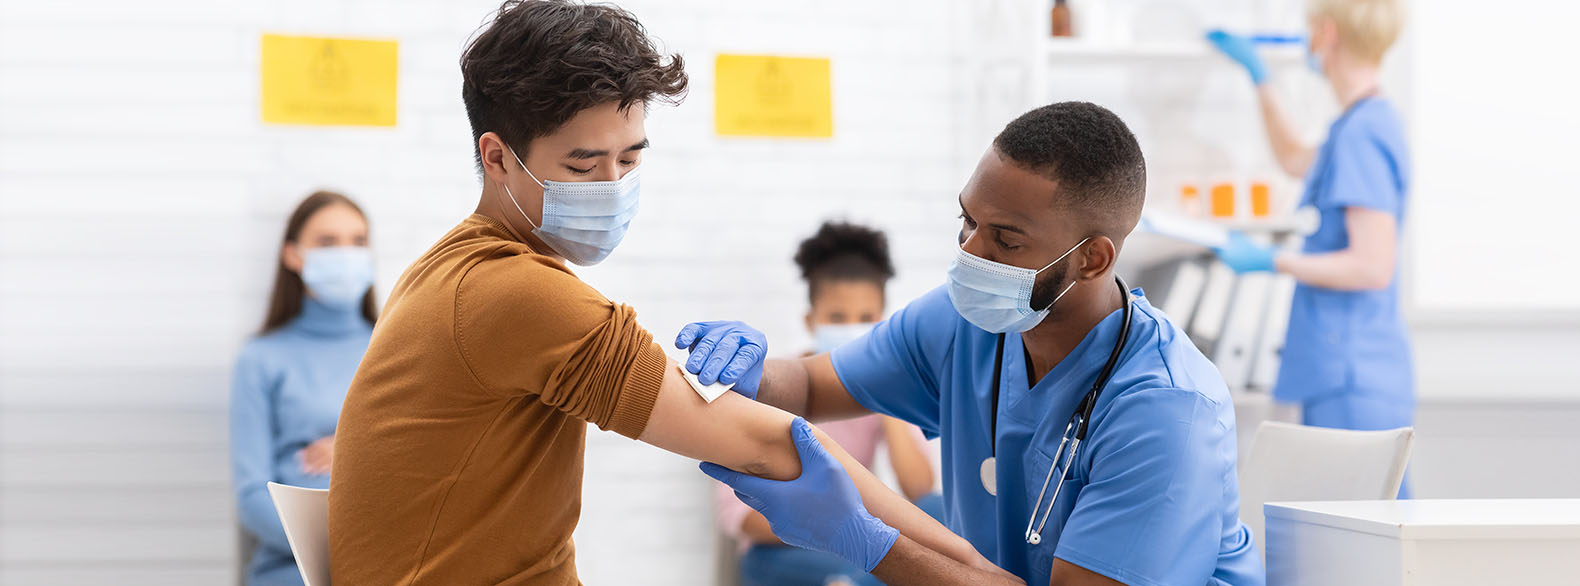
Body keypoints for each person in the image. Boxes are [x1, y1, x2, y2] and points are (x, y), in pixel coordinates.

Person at [327, 2, 1007, 584]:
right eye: (581, 164)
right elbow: (777, 444)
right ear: (498, 156)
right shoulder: (515, 293)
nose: (613, 186)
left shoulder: (450, 269)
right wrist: (977, 574)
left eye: (629, 158)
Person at [686, 102, 1263, 585]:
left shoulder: (1166, 411)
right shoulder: (962, 323)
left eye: (1006, 240)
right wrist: (753, 372)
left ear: (1093, 258)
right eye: (968, 221)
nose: (971, 252)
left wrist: (863, 541)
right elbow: (811, 386)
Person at [1206, 0, 1414, 496]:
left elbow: (1371, 265)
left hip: (1352, 370)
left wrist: (1270, 261)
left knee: (1363, 535)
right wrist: (1259, 77)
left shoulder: (1363, 133)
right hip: (1346, 365)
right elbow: (1295, 157)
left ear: (1326, 32)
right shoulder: (1358, 124)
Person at [720, 221, 943, 586]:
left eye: (866, 320)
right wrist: (834, 526)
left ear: (883, 323)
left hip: (857, 547)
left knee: (940, 513)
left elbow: (920, 491)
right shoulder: (772, 390)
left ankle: (854, 580)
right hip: (784, 551)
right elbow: (738, 518)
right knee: (882, 566)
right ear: (811, 321)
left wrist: (884, 400)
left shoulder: (882, 391)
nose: (852, 330)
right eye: (837, 319)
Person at [230, 191, 377, 586]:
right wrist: (339, 550)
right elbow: (251, 497)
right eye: (328, 242)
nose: (346, 254)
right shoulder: (261, 359)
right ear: (293, 255)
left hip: (390, 562)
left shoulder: (399, 349)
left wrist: (352, 446)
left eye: (358, 241)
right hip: (290, 570)